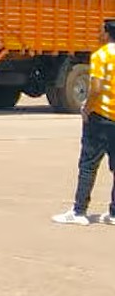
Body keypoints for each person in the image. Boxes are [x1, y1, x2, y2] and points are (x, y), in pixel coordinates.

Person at [52, 20, 115, 226]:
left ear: (106, 34)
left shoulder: (101, 55)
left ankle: (79, 211)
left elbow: (96, 88)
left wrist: (87, 108)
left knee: (88, 164)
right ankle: (113, 212)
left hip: (101, 116)